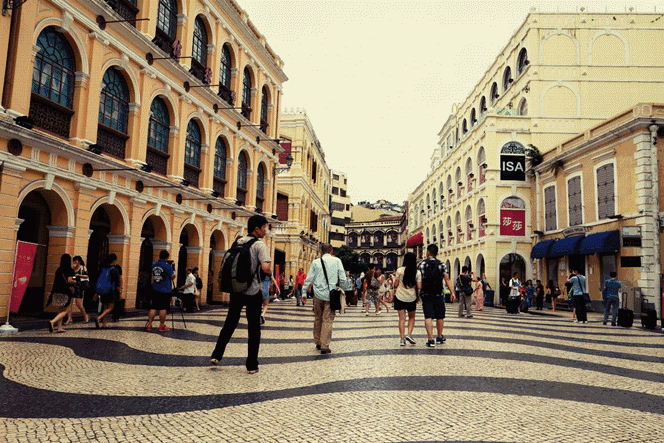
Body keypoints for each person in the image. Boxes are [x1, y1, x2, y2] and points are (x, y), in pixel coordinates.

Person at [210, 215, 272, 373]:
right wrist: (269, 272)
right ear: (257, 229)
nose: (266, 230)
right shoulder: (260, 245)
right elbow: (265, 268)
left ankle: (216, 355)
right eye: (264, 227)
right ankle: (251, 365)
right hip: (253, 291)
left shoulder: (238, 242)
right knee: (254, 328)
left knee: (230, 322)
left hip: (236, 289)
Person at [302, 243, 349, 354]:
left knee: (318, 318)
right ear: (331, 251)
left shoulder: (316, 262)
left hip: (317, 295)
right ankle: (325, 345)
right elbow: (343, 278)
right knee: (327, 320)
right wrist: (342, 290)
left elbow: (309, 278)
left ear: (321, 251)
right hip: (331, 295)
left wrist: (304, 292)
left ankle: (318, 341)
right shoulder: (337, 261)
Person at [417, 244, 456, 347]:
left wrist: (417, 292)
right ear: (436, 253)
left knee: (428, 316)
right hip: (439, 293)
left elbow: (418, 280)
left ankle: (430, 339)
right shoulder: (442, 264)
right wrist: (452, 292)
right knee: (440, 316)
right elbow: (447, 279)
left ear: (428, 252)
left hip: (426, 294)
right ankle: (439, 336)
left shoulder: (421, 264)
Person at [393, 252, 421, 346]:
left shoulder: (399, 270)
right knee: (411, 317)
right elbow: (419, 287)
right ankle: (409, 334)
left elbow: (396, 284)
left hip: (400, 296)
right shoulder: (417, 272)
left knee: (402, 319)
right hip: (411, 297)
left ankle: (402, 339)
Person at [146, 250, 175, 331]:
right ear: (167, 257)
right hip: (165, 289)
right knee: (163, 308)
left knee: (153, 307)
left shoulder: (154, 265)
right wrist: (172, 269)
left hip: (155, 288)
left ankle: (149, 324)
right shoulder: (168, 266)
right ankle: (161, 325)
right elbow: (172, 277)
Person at [47, 254, 76, 333]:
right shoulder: (70, 270)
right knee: (66, 310)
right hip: (65, 292)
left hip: (57, 291)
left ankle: (59, 327)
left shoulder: (59, 269)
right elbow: (70, 280)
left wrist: (51, 292)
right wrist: (75, 281)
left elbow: (55, 281)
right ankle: (52, 321)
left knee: (60, 310)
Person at [94, 254, 122, 329]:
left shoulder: (103, 268)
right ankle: (99, 318)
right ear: (114, 261)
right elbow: (117, 283)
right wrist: (119, 292)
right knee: (111, 307)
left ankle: (104, 324)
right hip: (111, 290)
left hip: (102, 290)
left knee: (105, 307)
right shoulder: (114, 270)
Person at [66, 256, 89, 324]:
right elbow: (70, 276)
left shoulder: (83, 268)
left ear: (79, 261)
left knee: (78, 303)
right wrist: (72, 269)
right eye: (74, 261)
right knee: (69, 303)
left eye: (76, 261)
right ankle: (69, 318)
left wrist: (79, 275)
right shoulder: (72, 268)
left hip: (79, 286)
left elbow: (87, 276)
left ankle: (85, 315)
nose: (75, 262)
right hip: (72, 286)